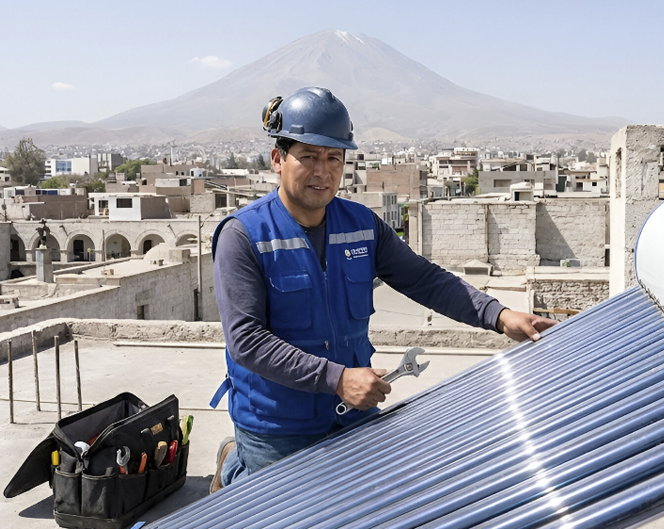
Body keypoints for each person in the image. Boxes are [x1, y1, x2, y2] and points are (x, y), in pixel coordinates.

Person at [209, 87, 555, 493]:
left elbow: (423, 279)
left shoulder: (361, 225)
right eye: (308, 156)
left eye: (333, 158)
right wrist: (337, 378)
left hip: (352, 414)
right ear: (277, 159)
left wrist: (498, 315)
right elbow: (246, 340)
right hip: (278, 425)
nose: (323, 171)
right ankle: (236, 464)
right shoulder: (244, 235)